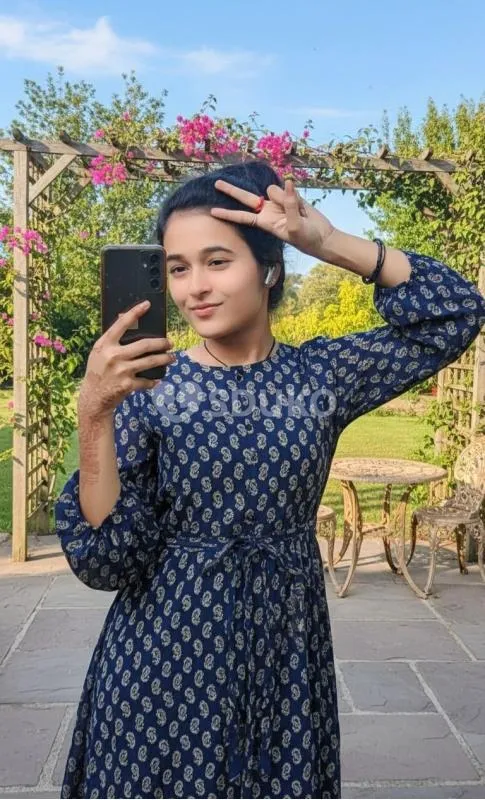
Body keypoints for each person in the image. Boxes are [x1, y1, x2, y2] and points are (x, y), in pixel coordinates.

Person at [55, 160, 485, 799]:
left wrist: (328, 242)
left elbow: (455, 312)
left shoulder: (323, 375)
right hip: (164, 654)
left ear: (270, 269)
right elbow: (108, 561)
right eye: (178, 268)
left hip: (284, 650)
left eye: (217, 261)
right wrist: (95, 414)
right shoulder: (148, 388)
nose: (195, 287)